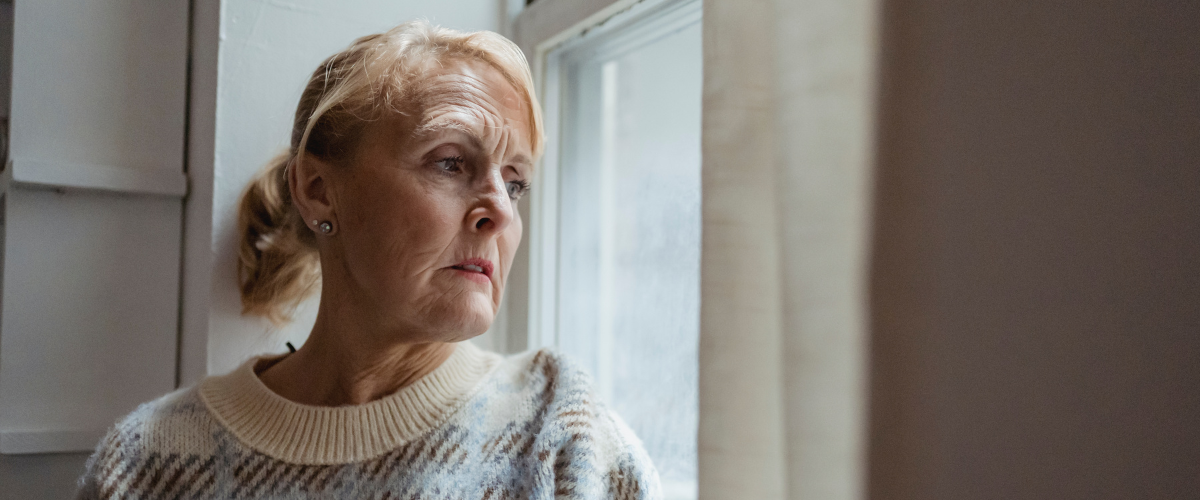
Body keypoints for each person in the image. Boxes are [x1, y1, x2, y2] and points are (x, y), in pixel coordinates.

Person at [75, 21, 660, 499]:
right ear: (319, 191)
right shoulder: (150, 463)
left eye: (516, 184)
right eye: (451, 162)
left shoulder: (564, 439)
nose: (499, 212)